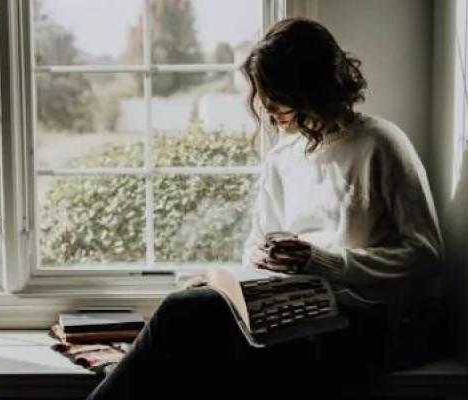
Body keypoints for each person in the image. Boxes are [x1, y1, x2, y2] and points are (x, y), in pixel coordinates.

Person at [86, 17, 444, 400]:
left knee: (182, 321)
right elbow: (254, 248)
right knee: (188, 320)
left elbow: (425, 255)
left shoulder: (381, 144)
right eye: (263, 95)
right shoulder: (283, 156)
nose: (267, 108)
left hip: (362, 323)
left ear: (309, 87)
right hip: (291, 313)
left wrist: (322, 262)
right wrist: (260, 260)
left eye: (276, 96)